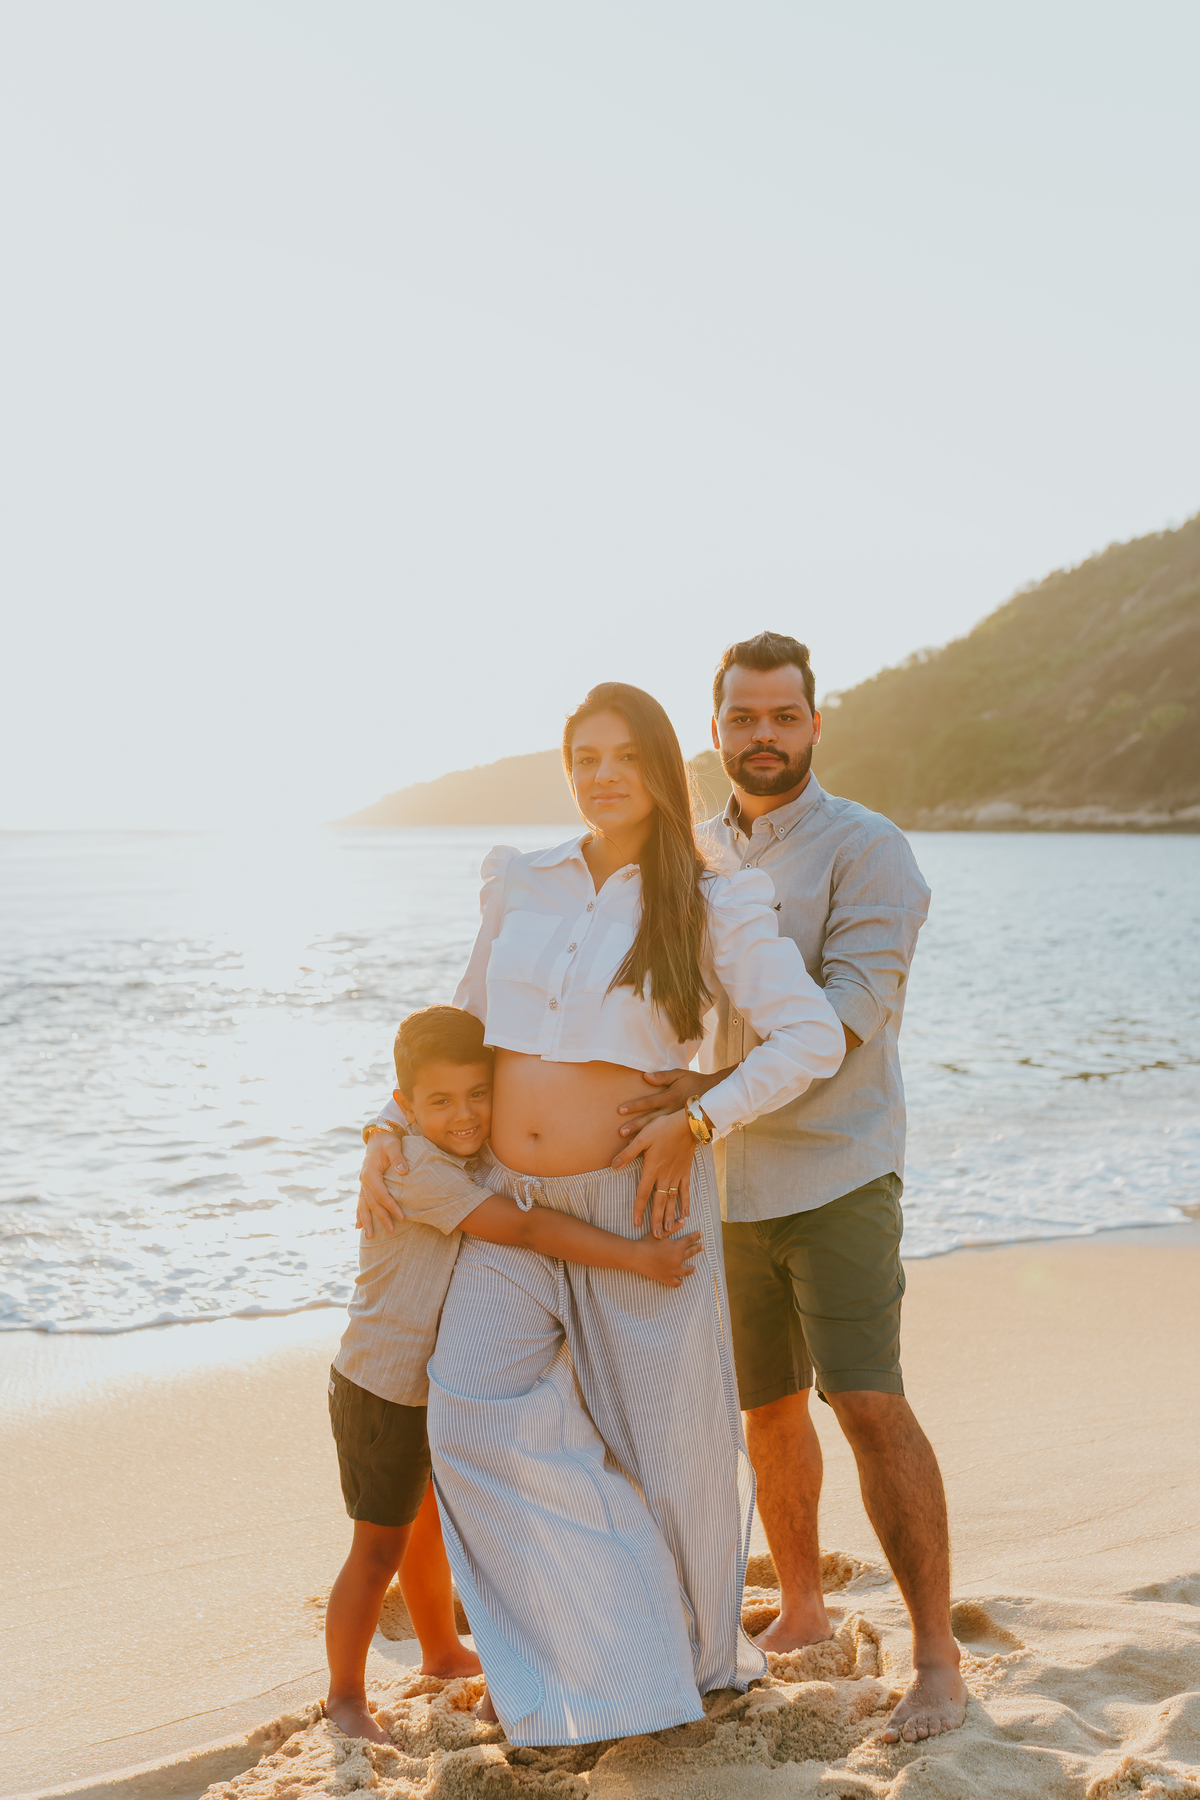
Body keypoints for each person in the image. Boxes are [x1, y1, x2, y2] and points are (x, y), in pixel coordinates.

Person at [357, 682, 846, 1747]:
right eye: (583, 757)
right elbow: (460, 1030)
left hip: (644, 1203)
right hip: (507, 1204)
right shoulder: (521, 880)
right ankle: (566, 1648)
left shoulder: (716, 897)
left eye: (623, 755)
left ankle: (696, 1668)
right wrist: (385, 1133)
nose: (601, 775)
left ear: (665, 766)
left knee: (669, 1450)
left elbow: (809, 1036)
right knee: (472, 1419)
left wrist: (703, 1117)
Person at [612, 631, 967, 1746]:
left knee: (864, 1399)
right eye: (742, 718)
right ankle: (805, 1606)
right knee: (763, 1409)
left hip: (837, 1169)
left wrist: (707, 1089)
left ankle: (938, 1659)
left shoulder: (872, 851)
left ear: (816, 724)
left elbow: (850, 1015)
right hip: (720, 1183)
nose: (762, 737)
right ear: (713, 728)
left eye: (784, 717)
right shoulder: (686, 850)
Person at [327, 1002, 702, 1742]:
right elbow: (526, 1227)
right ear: (408, 1104)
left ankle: (440, 1652)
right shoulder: (419, 1170)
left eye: (478, 1094)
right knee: (378, 1549)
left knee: (432, 1526)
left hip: (421, 1383)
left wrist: (380, 1131)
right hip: (380, 1389)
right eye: (441, 1102)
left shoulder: (409, 1137)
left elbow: (403, 1112)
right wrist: (634, 1257)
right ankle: (343, 1696)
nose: (464, 1116)